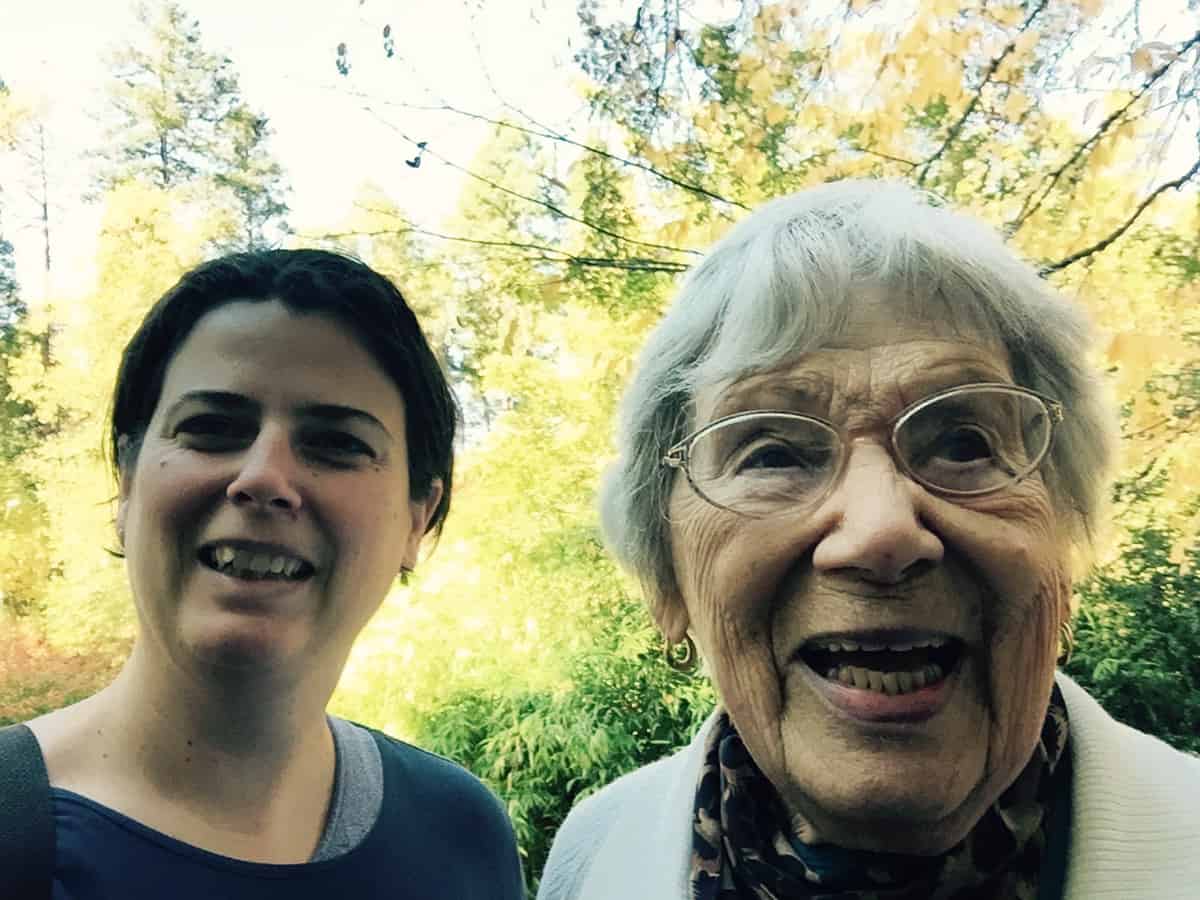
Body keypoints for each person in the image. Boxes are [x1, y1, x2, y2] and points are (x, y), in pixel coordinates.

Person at [538, 180, 1200, 899]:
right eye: (772, 454)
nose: (882, 532)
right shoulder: (594, 853)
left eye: (963, 442)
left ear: (1064, 543)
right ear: (668, 581)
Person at [10, 249, 524, 898]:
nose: (263, 478)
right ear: (127, 486)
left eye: (338, 443)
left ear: (417, 520)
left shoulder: (461, 837)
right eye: (211, 427)